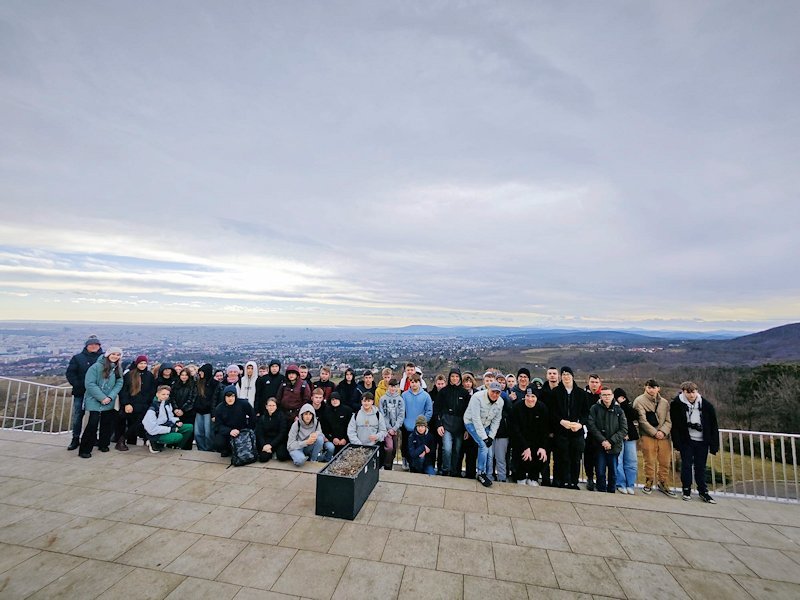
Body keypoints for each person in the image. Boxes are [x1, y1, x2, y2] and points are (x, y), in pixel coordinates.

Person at [670, 382, 720, 503]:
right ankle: (686, 489)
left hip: (702, 441)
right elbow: (675, 425)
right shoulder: (677, 404)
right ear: (683, 392)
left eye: (693, 392)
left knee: (700, 467)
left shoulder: (706, 405)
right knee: (686, 465)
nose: (692, 395)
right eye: (689, 392)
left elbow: (713, 425)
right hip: (686, 440)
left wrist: (714, 444)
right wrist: (677, 442)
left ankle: (703, 491)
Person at [78, 347, 124, 458]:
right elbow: (90, 384)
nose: (116, 356)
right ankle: (85, 449)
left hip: (109, 400)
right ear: (107, 354)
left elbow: (119, 382)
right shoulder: (95, 367)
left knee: (106, 424)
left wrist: (111, 396)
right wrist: (102, 397)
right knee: (92, 425)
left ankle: (104, 444)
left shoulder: (117, 368)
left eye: (118, 355)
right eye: (113, 354)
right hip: (94, 400)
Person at [633, 379, 676, 497]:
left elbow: (668, 420)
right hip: (648, 435)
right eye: (649, 387)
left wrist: (663, 431)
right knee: (649, 460)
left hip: (664, 436)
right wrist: (654, 432)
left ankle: (663, 482)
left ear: (659, 388)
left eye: (654, 387)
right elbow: (641, 420)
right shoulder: (639, 401)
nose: (652, 390)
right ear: (645, 388)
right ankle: (649, 481)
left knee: (665, 461)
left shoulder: (664, 402)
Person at [550, 366, 588, 489]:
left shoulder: (581, 393)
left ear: (572, 376)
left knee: (575, 459)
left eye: (568, 374)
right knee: (561, 458)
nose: (566, 377)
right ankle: (561, 481)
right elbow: (552, 412)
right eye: (564, 374)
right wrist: (561, 421)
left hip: (576, 432)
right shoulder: (555, 392)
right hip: (561, 431)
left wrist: (580, 424)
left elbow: (586, 413)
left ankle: (573, 482)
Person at [65, 335, 103, 450]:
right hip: (81, 392)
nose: (93, 346)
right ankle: (75, 438)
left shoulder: (103, 358)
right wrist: (78, 385)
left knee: (95, 416)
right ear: (86, 346)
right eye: (91, 344)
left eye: (96, 344)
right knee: (78, 416)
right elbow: (70, 373)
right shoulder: (78, 358)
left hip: (97, 393)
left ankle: (93, 437)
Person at [463, 381, 503, 487]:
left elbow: (496, 420)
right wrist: (485, 438)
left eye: (497, 393)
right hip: (470, 422)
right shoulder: (477, 397)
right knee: (483, 446)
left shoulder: (500, 402)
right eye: (493, 391)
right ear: (488, 389)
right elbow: (476, 419)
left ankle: (487, 472)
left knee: (489, 451)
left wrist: (491, 436)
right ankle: (481, 473)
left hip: (486, 424)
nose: (495, 394)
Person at [588, 387, 627, 493]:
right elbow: (592, 426)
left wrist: (611, 441)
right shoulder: (595, 408)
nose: (606, 397)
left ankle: (611, 492)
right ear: (600, 396)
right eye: (604, 395)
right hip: (599, 445)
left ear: (613, 396)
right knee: (600, 471)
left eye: (609, 395)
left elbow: (623, 429)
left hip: (614, 446)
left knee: (613, 472)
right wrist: (603, 441)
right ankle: (601, 491)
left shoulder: (619, 410)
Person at [433, 368, 469, 477]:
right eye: (452, 376)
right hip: (446, 425)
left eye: (457, 376)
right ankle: (445, 470)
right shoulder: (444, 391)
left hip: (460, 426)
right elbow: (436, 409)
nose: (454, 378)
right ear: (449, 377)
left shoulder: (464, 393)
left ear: (459, 378)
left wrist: (467, 429)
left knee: (457, 450)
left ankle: (454, 472)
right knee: (447, 449)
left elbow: (468, 412)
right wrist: (439, 425)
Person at [511, 387, 550, 486]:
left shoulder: (542, 408)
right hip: (520, 440)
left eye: (533, 396)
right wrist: (525, 447)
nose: (530, 399)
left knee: (540, 454)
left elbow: (545, 430)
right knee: (522, 455)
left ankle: (533, 478)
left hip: (536, 440)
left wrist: (543, 447)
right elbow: (515, 430)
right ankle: (520, 477)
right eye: (527, 396)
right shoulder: (517, 407)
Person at [116, 355, 156, 451]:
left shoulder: (149, 375)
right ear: (137, 364)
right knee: (131, 424)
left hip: (144, 405)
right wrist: (126, 403)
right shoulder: (130, 375)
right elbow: (124, 391)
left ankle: (124, 440)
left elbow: (152, 391)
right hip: (131, 405)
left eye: (145, 363)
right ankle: (124, 441)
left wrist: (149, 403)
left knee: (138, 424)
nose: (143, 365)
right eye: (141, 363)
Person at [143, 385, 194, 453]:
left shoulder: (166, 404)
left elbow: (170, 417)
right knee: (178, 436)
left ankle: (177, 447)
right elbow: (152, 429)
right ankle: (154, 442)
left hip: (166, 426)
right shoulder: (152, 409)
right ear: (157, 394)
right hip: (156, 433)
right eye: (163, 394)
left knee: (189, 427)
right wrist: (170, 430)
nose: (166, 396)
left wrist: (177, 421)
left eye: (167, 394)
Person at [213, 385, 255, 458]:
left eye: (232, 396)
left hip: (242, 431)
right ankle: (227, 450)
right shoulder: (219, 408)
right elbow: (218, 426)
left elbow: (252, 416)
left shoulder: (243, 403)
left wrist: (248, 429)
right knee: (218, 442)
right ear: (224, 397)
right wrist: (229, 431)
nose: (230, 399)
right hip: (227, 432)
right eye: (228, 396)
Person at [401, 375, 433, 471]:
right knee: (408, 449)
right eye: (412, 382)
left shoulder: (426, 395)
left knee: (419, 451)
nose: (414, 384)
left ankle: (420, 469)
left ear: (420, 382)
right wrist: (404, 422)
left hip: (420, 430)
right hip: (408, 427)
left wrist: (422, 423)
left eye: (416, 382)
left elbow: (429, 411)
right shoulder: (404, 395)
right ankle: (410, 467)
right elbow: (401, 411)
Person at [614, 388, 639, 494]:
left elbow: (634, 416)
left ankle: (630, 484)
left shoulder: (628, 405)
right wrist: (622, 434)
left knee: (631, 461)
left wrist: (624, 403)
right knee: (618, 461)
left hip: (631, 436)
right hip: (618, 436)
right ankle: (620, 483)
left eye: (623, 397)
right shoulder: (613, 406)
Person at [379, 379, 405, 469]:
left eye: (395, 386)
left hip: (396, 429)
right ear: (388, 386)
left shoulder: (400, 400)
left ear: (397, 387)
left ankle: (390, 465)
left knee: (394, 449)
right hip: (386, 429)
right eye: (391, 386)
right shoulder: (383, 399)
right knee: (389, 447)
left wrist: (394, 428)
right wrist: (389, 428)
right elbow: (382, 415)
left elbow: (401, 415)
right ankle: (386, 465)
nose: (393, 388)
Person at [583, 373, 603, 491]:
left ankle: (600, 479)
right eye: (592, 382)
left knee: (599, 457)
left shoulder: (603, 396)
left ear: (599, 383)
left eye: (596, 382)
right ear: (588, 382)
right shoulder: (583, 395)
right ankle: (589, 478)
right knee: (588, 456)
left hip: (600, 432)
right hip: (587, 431)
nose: (594, 384)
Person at [255, 397, 289, 462]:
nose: (271, 407)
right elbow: (259, 433)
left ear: (276, 406)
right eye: (269, 405)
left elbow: (282, 433)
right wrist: (264, 445)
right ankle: (270, 453)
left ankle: (274, 452)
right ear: (266, 406)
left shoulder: (281, 416)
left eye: (273, 405)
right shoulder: (262, 417)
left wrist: (271, 445)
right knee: (263, 459)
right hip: (266, 441)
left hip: (278, 441)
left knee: (282, 456)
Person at [170, 367, 197, 450]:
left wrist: (183, 409)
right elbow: (172, 397)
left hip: (188, 413)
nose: (184, 377)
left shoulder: (193, 385)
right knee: (176, 429)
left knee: (188, 431)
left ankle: (186, 448)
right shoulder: (175, 385)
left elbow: (192, 399)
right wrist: (175, 408)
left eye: (186, 375)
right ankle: (175, 445)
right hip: (176, 412)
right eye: (182, 375)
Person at [193, 363, 217, 451]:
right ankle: (201, 449)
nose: (200, 374)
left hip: (208, 412)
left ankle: (209, 449)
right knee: (198, 433)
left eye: (202, 372)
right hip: (199, 410)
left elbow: (214, 398)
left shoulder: (214, 384)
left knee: (208, 433)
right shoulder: (198, 383)